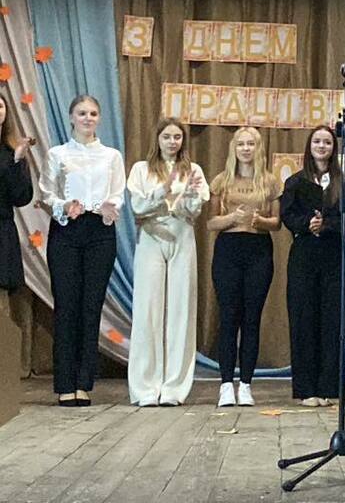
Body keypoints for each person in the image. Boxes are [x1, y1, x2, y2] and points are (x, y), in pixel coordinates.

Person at [39, 94, 124, 407]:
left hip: (100, 232)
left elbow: (118, 192)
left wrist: (110, 205)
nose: (88, 118)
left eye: (93, 113)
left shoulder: (111, 156)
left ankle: (83, 383)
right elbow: (46, 193)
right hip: (67, 231)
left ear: (99, 118)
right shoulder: (57, 153)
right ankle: (65, 383)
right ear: (71, 117)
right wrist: (63, 206)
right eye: (82, 113)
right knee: (66, 306)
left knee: (91, 307)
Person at [127, 118, 209, 407]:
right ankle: (145, 388)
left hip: (182, 236)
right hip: (151, 238)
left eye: (177, 137)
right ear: (158, 139)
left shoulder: (193, 170)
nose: (172, 142)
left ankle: (174, 387)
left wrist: (188, 195)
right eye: (167, 136)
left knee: (180, 311)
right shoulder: (142, 169)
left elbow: (193, 210)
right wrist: (163, 190)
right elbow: (138, 207)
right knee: (147, 310)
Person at [280, 126, 345, 407]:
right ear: (309, 146)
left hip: (333, 255)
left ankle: (329, 388)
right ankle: (306, 389)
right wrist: (307, 224)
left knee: (331, 319)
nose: (322, 146)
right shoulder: (295, 182)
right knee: (304, 319)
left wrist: (326, 225)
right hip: (303, 255)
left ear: (334, 148)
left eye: (327, 142)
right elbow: (287, 214)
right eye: (317, 141)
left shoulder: (344, 183)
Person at [207, 126, 281, 408]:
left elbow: (277, 223)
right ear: (234, 148)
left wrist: (260, 221)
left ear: (258, 148)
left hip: (258, 250)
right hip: (228, 249)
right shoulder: (222, 180)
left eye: (251, 144)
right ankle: (226, 384)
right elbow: (211, 222)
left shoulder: (270, 182)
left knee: (252, 318)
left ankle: (246, 384)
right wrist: (232, 219)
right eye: (241, 144)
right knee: (229, 316)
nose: (246, 149)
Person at [0, 92, 34, 293]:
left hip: (3, 233)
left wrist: (16, 162)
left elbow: (22, 198)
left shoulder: (11, 153)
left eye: (0, 106)